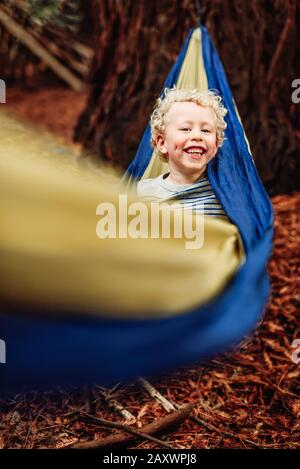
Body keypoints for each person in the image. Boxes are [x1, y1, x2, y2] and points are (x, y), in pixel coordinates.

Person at [137, 87, 228, 219]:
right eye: (186, 129)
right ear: (162, 143)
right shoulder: (143, 192)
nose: (197, 136)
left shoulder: (225, 194)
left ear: (216, 145)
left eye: (206, 130)